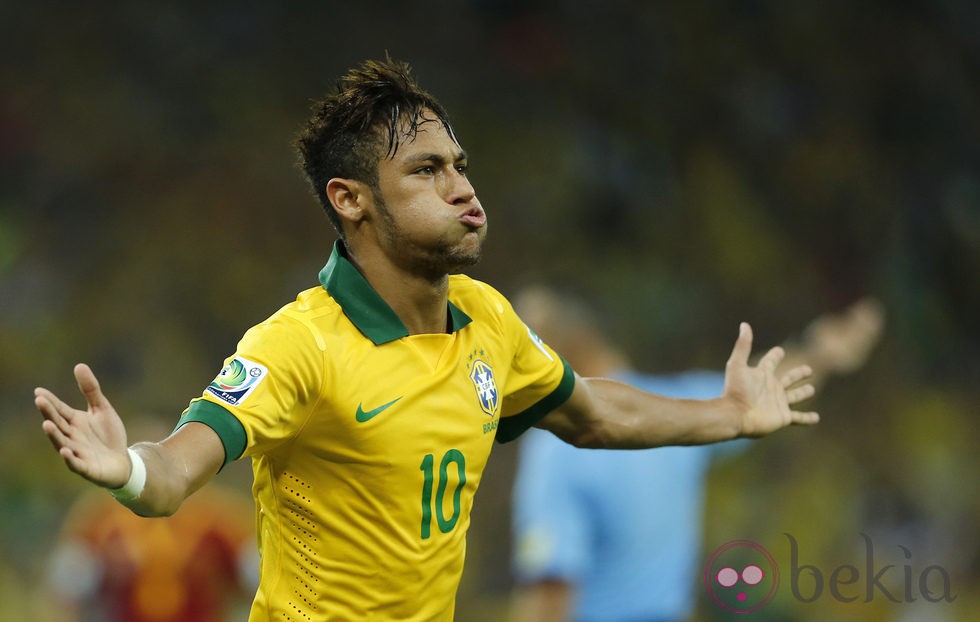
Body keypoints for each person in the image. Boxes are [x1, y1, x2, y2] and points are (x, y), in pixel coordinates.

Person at [34, 57, 820, 621]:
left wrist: (729, 416)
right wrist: (129, 469)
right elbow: (178, 467)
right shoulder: (298, 344)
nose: (464, 188)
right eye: (427, 172)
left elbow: (592, 414)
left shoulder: (488, 319)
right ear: (351, 200)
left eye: (462, 166)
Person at [509, 285, 884, 622]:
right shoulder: (677, 410)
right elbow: (763, 395)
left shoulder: (554, 447)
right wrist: (820, 353)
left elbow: (551, 590)